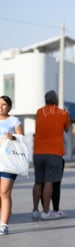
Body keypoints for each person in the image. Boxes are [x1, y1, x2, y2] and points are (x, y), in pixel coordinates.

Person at [32, 90, 69, 220]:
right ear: (57, 101)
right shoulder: (63, 113)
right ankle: (46, 212)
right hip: (54, 152)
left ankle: (35, 210)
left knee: (38, 182)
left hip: (38, 152)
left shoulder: (39, 112)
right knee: (49, 182)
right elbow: (66, 129)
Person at [0, 96, 24, 235]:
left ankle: (4, 225)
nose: (0, 107)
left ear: (9, 107)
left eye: (3, 104)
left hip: (9, 162)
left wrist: (12, 137)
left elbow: (21, 139)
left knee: (4, 192)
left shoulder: (14, 121)